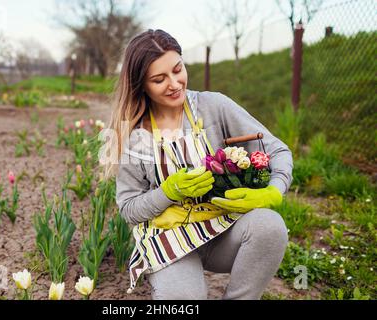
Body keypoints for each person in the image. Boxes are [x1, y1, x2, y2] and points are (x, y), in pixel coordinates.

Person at [102, 29, 293, 300]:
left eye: (178, 69)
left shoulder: (212, 106)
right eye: (159, 79)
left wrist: (274, 189)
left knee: (269, 226)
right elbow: (129, 209)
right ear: (141, 85)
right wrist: (168, 193)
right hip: (168, 239)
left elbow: (277, 150)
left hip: (222, 228)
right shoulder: (135, 135)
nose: (174, 83)